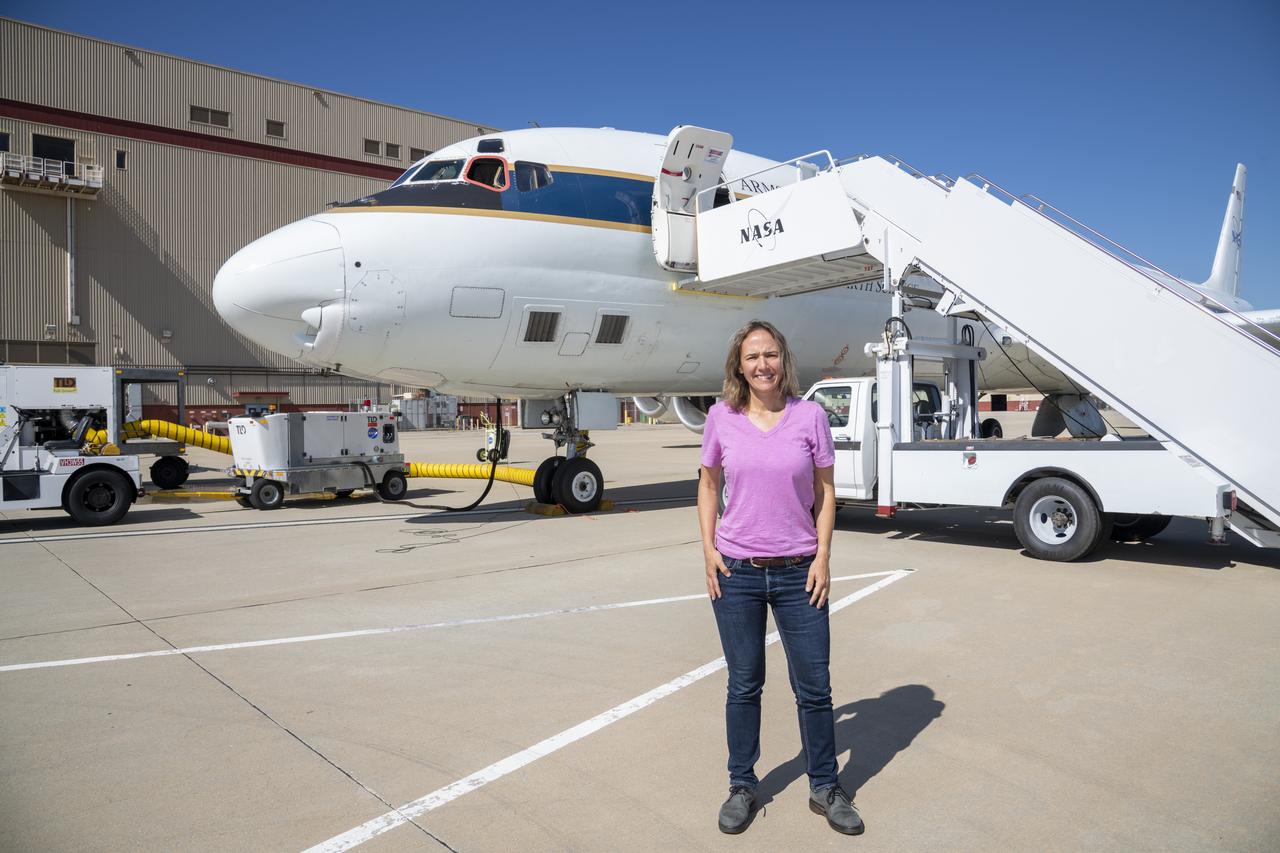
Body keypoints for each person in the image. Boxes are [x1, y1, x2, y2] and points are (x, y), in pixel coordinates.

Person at [697, 319, 863, 836]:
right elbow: (707, 486)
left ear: (782, 361)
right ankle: (742, 785)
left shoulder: (809, 416)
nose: (762, 365)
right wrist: (707, 550)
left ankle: (825, 785)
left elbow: (827, 491)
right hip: (737, 572)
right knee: (744, 685)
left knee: (814, 689)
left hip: (799, 573)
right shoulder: (721, 418)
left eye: (770, 355)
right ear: (738, 366)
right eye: (752, 357)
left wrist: (824, 556)